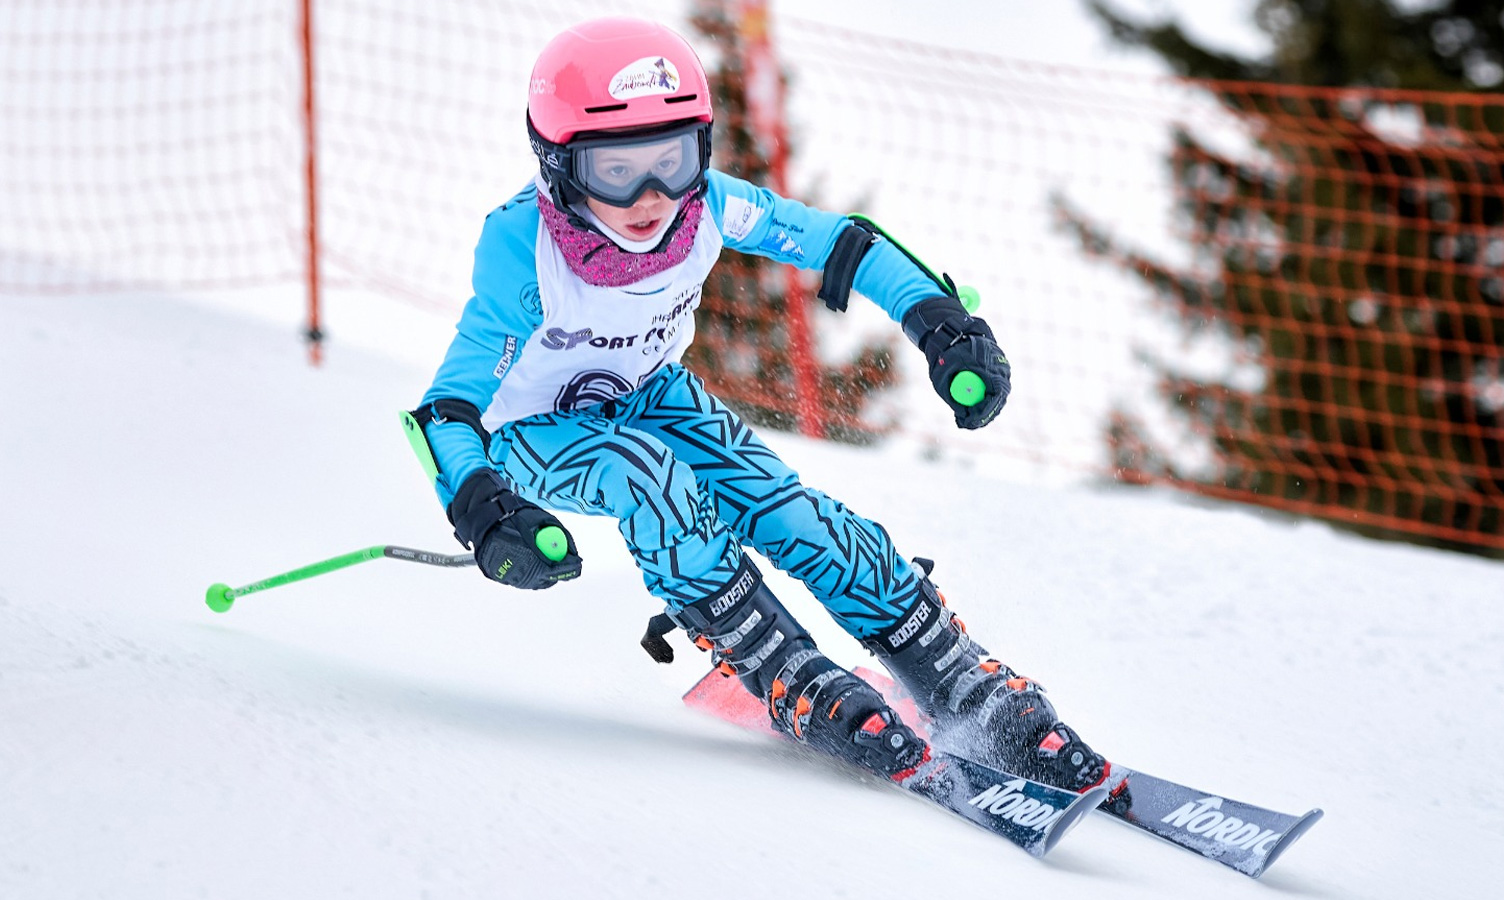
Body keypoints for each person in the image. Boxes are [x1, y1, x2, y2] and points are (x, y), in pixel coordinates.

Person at [408, 16, 1120, 800]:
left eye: (671, 161)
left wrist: (935, 320)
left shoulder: (706, 205)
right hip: (530, 435)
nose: (651, 198)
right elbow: (448, 408)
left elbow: (841, 243)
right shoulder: (522, 247)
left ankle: (952, 673)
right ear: (559, 165)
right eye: (616, 170)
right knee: (653, 478)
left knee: (795, 515)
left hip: (651, 394)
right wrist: (481, 507)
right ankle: (773, 660)